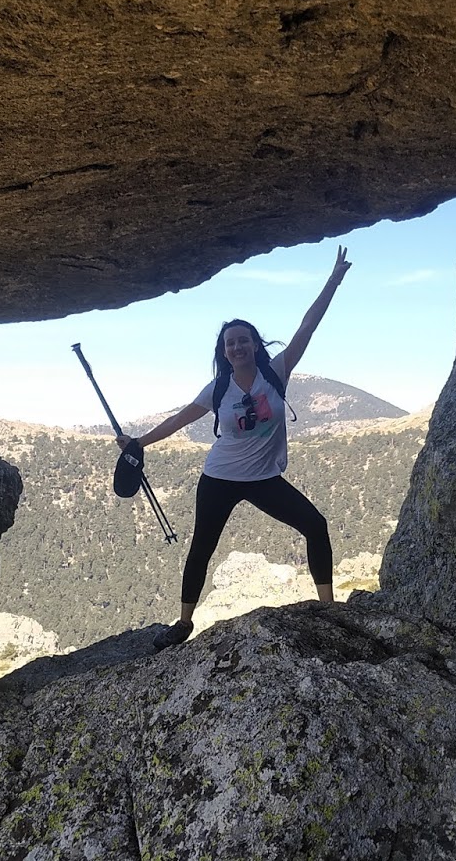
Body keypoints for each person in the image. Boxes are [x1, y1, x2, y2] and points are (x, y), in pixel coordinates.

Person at [119, 246, 352, 648]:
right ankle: (183, 622)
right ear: (224, 352)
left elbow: (306, 328)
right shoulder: (218, 388)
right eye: (231, 343)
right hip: (219, 478)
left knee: (316, 526)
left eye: (243, 341)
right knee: (202, 548)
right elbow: (179, 420)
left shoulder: (276, 371)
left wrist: (332, 281)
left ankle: (328, 608)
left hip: (263, 479)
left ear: (255, 345)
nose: (237, 347)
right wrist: (139, 441)